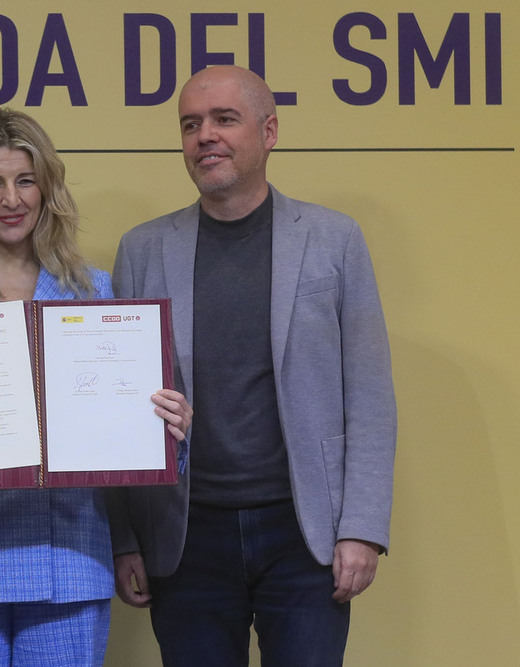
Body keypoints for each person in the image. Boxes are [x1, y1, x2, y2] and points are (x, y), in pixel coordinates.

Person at [0, 108, 190, 666]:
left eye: (25, 181)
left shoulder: (91, 287)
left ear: (47, 188)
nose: (10, 199)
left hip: (68, 561)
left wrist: (163, 432)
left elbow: (115, 437)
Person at [107, 65, 397, 666]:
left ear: (268, 132)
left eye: (223, 119)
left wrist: (361, 528)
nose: (204, 135)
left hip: (305, 533)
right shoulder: (142, 249)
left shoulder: (334, 240)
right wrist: (126, 538)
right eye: (191, 124)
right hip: (185, 536)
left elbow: (368, 396)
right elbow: (117, 408)